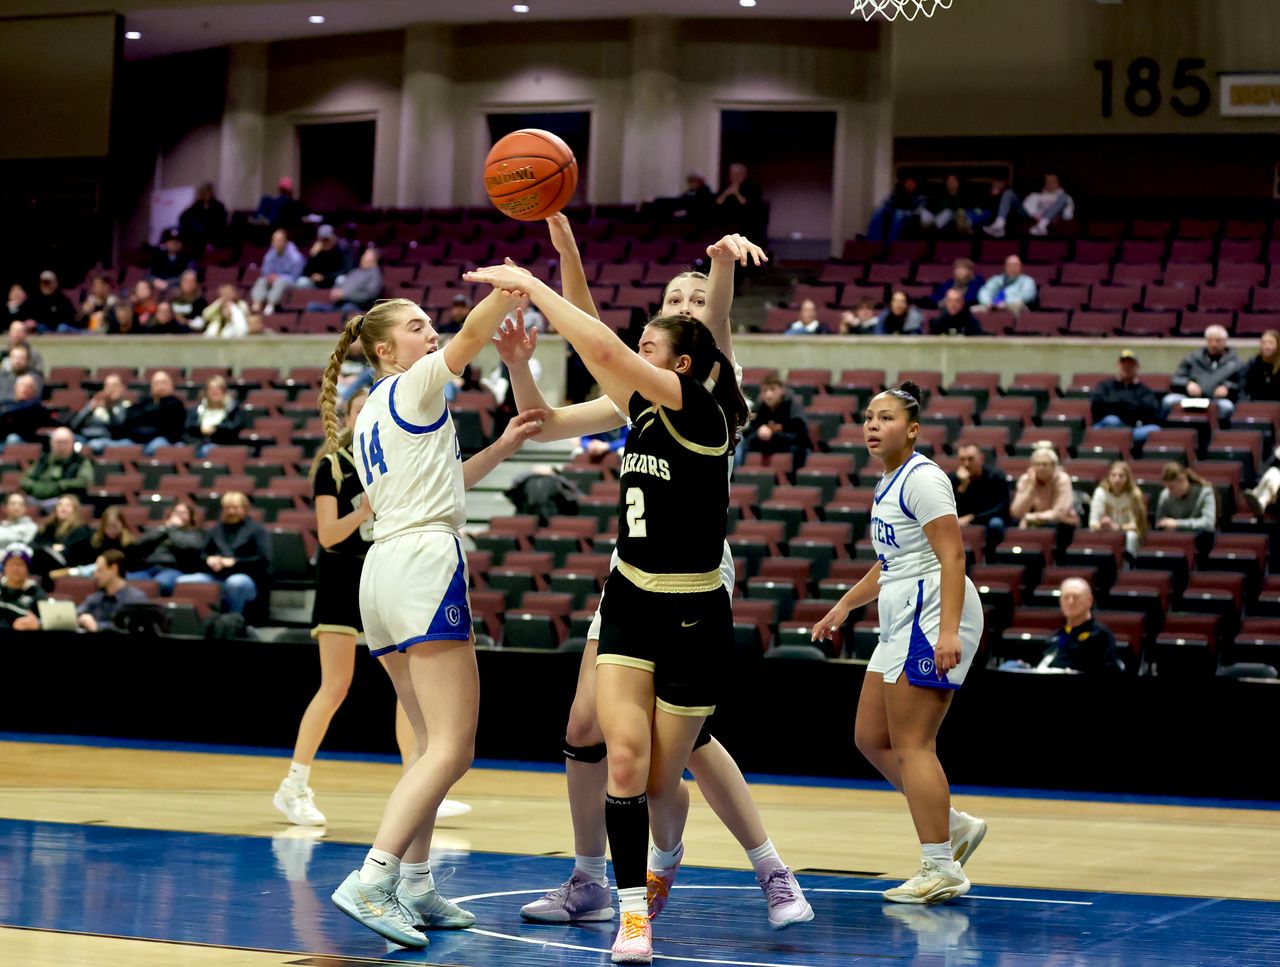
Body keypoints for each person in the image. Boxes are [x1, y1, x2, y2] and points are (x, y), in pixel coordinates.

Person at [470, 239, 803, 964]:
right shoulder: (638, 390)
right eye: (670, 302)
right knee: (596, 733)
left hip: (697, 581)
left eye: (689, 307)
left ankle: (761, 862)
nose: (680, 310)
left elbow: (632, 338)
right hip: (632, 579)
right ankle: (600, 880)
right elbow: (572, 378)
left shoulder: (709, 385)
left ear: (692, 344)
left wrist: (713, 269)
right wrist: (562, 256)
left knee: (680, 751)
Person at [322, 287, 528, 950]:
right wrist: (508, 290)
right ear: (386, 350)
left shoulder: (371, 412)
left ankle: (415, 881)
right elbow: (471, 337)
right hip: (422, 561)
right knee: (453, 746)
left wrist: (501, 445)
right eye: (417, 326)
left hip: (381, 568)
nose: (431, 332)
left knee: (423, 743)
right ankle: (373, 876)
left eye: (429, 322)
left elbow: (441, 478)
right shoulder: (413, 382)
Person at [275, 387, 543, 829]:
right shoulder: (334, 465)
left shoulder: (395, 455)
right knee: (336, 686)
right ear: (347, 417)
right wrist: (365, 510)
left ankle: (418, 779)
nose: (368, 416)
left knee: (413, 688)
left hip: (389, 576)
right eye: (360, 410)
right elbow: (326, 536)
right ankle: (294, 784)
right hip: (343, 582)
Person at [811, 381, 987, 906]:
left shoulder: (924, 479)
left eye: (885, 418)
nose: (871, 425)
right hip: (902, 610)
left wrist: (949, 631)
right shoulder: (888, 481)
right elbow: (891, 562)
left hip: (933, 612)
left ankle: (941, 866)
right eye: (868, 417)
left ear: (912, 430)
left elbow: (952, 558)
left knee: (914, 744)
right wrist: (846, 604)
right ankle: (951, 825)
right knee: (871, 736)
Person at [177, 491, 270, 616]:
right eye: (227, 508)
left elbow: (263, 560)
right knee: (183, 581)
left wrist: (234, 562)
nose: (231, 512)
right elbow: (202, 554)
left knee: (235, 583)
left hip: (246, 577)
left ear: (245, 509)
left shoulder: (257, 530)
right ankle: (199, 620)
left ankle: (233, 621)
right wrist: (209, 559)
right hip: (216, 576)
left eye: (235, 508)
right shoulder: (216, 529)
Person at [1036, 578, 1125, 674]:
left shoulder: (1100, 636)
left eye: (1076, 597)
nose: (1070, 602)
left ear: (1089, 600)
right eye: (1066, 597)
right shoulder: (1057, 635)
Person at [1163, 326, 1243, 422]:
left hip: (1217, 400)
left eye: (1218, 341)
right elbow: (1176, 378)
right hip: (1191, 398)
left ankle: (1217, 435)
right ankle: (1167, 432)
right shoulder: (1193, 358)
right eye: (1210, 340)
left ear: (1225, 341)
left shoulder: (1236, 362)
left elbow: (1242, 383)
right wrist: (1188, 384)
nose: (1214, 344)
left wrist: (1227, 387)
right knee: (1168, 401)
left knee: (1227, 407)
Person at [128, 501, 206, 594]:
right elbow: (138, 544)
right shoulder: (160, 530)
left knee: (160, 584)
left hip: (173, 569)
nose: (178, 515)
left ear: (190, 517)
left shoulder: (194, 534)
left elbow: (186, 546)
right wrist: (164, 529)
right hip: (150, 566)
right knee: (130, 581)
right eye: (176, 512)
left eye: (183, 513)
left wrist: (173, 528)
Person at [1090, 350, 1161, 448]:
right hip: (1105, 428)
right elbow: (1097, 404)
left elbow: (1151, 409)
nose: (1126, 368)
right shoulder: (1105, 386)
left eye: (1130, 365)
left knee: (1155, 429)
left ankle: (1123, 445)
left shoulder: (1143, 390)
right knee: (1112, 420)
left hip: (1132, 429)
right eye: (1124, 364)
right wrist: (1129, 406)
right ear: (1118, 365)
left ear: (1137, 367)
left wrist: (1119, 404)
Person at [739, 374, 811, 470]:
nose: (769, 395)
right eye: (765, 390)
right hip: (765, 444)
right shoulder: (760, 406)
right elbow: (750, 429)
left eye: (773, 389)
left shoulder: (792, 404)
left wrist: (774, 429)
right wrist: (759, 432)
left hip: (789, 444)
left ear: (781, 390)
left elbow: (799, 428)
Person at [950, 443, 1009, 551]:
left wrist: (973, 517)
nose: (966, 464)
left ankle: (991, 558)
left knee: (996, 524)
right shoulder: (954, 478)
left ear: (981, 459)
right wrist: (963, 486)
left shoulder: (996, 476)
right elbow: (951, 508)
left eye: (971, 459)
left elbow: (1001, 507)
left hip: (988, 517)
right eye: (962, 459)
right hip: (962, 519)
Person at [76, 549, 150, 633]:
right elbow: (76, 614)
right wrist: (81, 619)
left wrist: (98, 626)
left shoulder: (136, 600)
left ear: (114, 569)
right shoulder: (95, 597)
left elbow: (134, 628)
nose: (96, 575)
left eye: (100, 570)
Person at [53, 504, 136, 579]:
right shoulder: (93, 540)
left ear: (122, 525)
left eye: (115, 526)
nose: (111, 530)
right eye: (108, 526)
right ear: (103, 526)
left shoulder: (129, 543)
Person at [117, 370, 188, 456]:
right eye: (156, 383)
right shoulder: (144, 402)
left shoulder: (176, 403)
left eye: (163, 382)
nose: (160, 386)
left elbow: (171, 427)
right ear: (151, 386)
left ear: (171, 385)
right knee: (119, 446)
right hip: (138, 439)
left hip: (165, 440)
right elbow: (131, 419)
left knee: (153, 448)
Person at [983, 174, 1075, 238]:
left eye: (1052, 181)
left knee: (1064, 198)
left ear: (1058, 183)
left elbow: (1068, 216)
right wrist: (1035, 214)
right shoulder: (1036, 195)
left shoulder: (1065, 197)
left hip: (1050, 218)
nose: (1049, 183)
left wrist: (1057, 214)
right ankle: (999, 225)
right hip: (1031, 215)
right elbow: (1026, 208)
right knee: (1009, 193)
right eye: (1047, 180)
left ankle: (1041, 226)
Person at [1011, 444, 1080, 529]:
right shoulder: (1025, 480)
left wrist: (1032, 517)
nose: (1041, 468)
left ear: (1054, 466)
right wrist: (1031, 486)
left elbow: (1059, 513)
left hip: (1060, 525)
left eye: (1045, 464)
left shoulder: (1062, 479)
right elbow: (1016, 512)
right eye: (1037, 464)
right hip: (1031, 523)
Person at [1089, 461, 1147, 559]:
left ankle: (1129, 565)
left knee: (1132, 536)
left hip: (1126, 533)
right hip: (1105, 532)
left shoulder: (1134, 495)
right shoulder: (1100, 493)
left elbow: (1137, 525)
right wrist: (1102, 525)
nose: (1117, 479)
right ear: (1108, 477)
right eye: (1114, 475)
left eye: (1121, 476)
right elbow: (1092, 523)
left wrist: (1118, 527)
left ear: (1127, 478)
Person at [308, 246, 383, 316]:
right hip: (338, 305)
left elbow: (369, 296)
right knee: (312, 306)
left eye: (366, 254)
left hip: (355, 307)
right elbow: (341, 285)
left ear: (374, 258)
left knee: (347, 308)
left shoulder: (375, 274)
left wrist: (345, 295)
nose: (362, 256)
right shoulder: (355, 272)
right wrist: (336, 292)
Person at [69, 374, 132, 452]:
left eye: (115, 385)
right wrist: (90, 408)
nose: (111, 389)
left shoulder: (126, 406)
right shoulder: (95, 403)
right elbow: (74, 425)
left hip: (107, 440)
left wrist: (109, 409)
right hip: (85, 436)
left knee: (95, 444)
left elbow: (119, 431)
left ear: (122, 388)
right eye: (108, 385)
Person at [249, 229, 306, 315]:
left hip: (290, 281)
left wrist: (278, 278)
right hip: (273, 280)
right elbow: (265, 272)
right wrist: (270, 277)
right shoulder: (270, 255)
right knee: (261, 281)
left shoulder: (295, 256)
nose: (276, 243)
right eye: (274, 240)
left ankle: (270, 306)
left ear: (286, 241)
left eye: (279, 240)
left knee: (280, 282)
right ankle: (257, 305)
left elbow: (296, 276)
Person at [185, 375, 243, 456]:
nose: (214, 391)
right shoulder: (199, 407)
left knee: (206, 450)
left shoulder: (232, 408)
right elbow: (189, 425)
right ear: (206, 391)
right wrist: (201, 428)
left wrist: (215, 428)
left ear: (224, 391)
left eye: (218, 388)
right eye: (211, 389)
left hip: (223, 445)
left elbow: (234, 426)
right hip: (199, 444)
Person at [33, 493, 91, 572]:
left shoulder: (80, 530)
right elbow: (36, 544)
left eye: (68, 506)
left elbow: (74, 552)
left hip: (66, 567)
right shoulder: (47, 527)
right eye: (60, 505)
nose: (63, 508)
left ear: (75, 510)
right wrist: (52, 547)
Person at [1154, 463, 1216, 536]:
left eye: (1171, 487)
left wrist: (1178, 524)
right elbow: (1159, 524)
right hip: (1174, 539)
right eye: (1167, 487)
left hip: (1199, 540)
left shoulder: (1205, 493)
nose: (1169, 491)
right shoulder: (1165, 495)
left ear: (1182, 480)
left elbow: (1208, 523)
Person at [0, 374, 58, 444]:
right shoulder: (6, 403)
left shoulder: (36, 406)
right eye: (22, 385)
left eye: (29, 386)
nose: (25, 389)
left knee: (13, 439)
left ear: (34, 390)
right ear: (16, 388)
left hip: (25, 440)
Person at [0, 543, 44, 631]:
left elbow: (49, 620)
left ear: (27, 568)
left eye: (20, 564)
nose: (15, 569)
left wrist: (38, 624)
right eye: (11, 564)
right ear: (4, 567)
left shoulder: (36, 592)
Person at [867, 177, 926, 242]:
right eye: (907, 181)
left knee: (898, 214)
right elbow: (886, 203)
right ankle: (872, 242)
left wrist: (907, 213)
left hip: (909, 216)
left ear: (916, 184)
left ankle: (892, 244)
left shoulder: (920, 197)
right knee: (878, 211)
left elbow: (919, 211)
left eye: (912, 182)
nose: (909, 184)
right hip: (893, 213)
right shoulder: (897, 194)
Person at [178, 181, 228, 252]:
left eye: (210, 191)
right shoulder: (195, 206)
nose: (209, 194)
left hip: (215, 233)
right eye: (206, 192)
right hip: (198, 236)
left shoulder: (218, 206)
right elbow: (183, 218)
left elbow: (222, 221)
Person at [296, 225, 349, 290]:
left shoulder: (342, 247)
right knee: (302, 282)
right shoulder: (317, 250)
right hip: (317, 285)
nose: (325, 242)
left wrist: (324, 277)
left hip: (334, 285)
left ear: (333, 237)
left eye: (327, 239)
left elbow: (345, 270)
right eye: (323, 239)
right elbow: (304, 273)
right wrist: (312, 256)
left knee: (342, 279)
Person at [1240, 330, 1280, 403]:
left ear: (1278, 345)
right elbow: (1243, 385)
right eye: (1264, 343)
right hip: (1256, 405)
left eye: (1271, 343)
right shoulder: (1253, 363)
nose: (1267, 346)